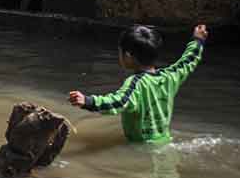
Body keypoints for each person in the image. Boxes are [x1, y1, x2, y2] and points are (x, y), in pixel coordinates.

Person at [68, 24, 207, 144]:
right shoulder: (170, 76)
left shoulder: (135, 83)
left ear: (127, 56)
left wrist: (88, 101)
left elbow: (119, 102)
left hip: (142, 145)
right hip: (165, 141)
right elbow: (188, 61)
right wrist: (198, 40)